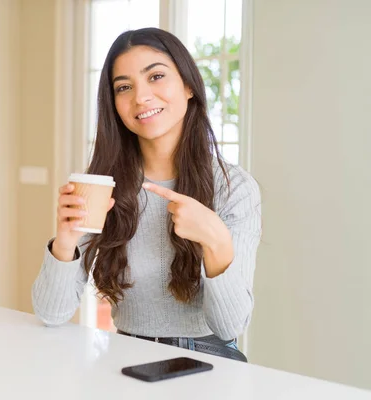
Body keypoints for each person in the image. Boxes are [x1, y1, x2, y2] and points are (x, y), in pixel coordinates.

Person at [31, 27, 262, 362]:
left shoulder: (233, 187)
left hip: (206, 361)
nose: (140, 97)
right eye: (124, 86)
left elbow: (230, 326)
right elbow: (52, 314)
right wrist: (64, 242)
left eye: (155, 76)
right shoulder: (104, 186)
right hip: (124, 357)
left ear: (188, 86)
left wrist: (216, 241)